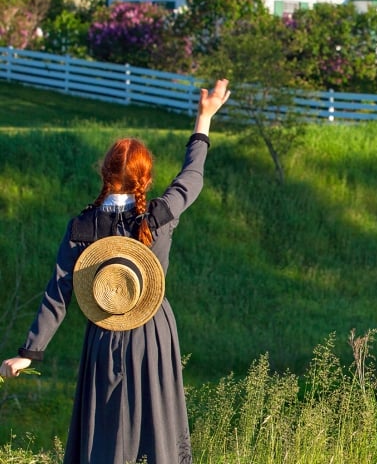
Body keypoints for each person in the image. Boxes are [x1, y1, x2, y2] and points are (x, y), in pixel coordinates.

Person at [0, 78, 231, 464]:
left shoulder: (83, 225)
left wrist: (30, 353)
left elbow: (58, 293)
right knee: (157, 427)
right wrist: (203, 118)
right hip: (154, 330)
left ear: (105, 173)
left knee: (106, 430)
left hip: (104, 333)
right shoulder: (159, 215)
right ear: (146, 176)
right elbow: (193, 176)